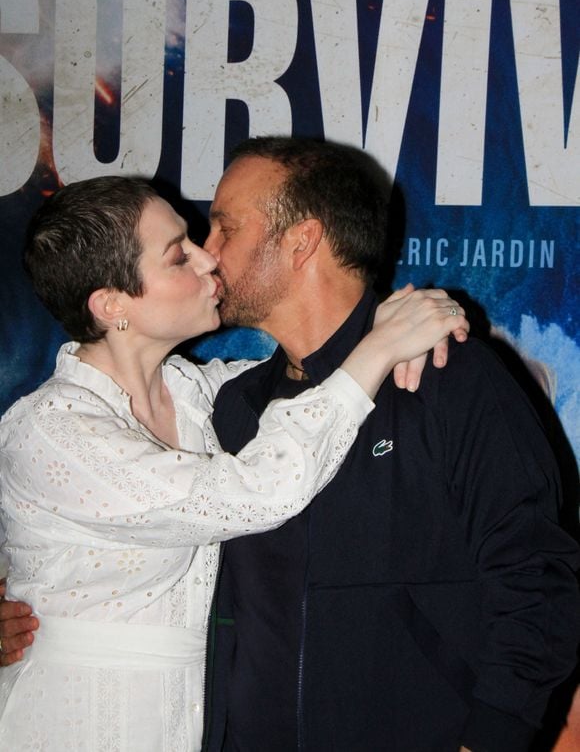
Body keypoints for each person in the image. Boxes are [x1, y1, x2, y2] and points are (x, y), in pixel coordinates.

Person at [0, 174, 468, 752]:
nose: (208, 260)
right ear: (112, 304)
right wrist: (379, 348)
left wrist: (410, 317)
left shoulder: (200, 392)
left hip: (186, 718)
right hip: (76, 720)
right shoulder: (50, 430)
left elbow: (309, 387)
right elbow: (257, 492)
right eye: (179, 256)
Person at [195, 137, 578, 752]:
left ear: (302, 241)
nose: (205, 253)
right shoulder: (232, 408)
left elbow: (536, 581)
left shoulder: (450, 379)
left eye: (223, 228)